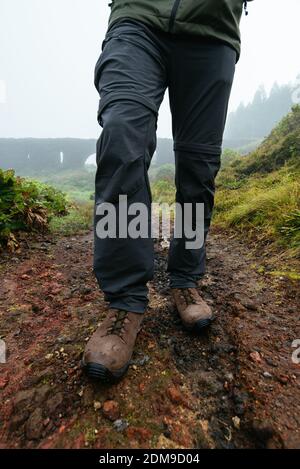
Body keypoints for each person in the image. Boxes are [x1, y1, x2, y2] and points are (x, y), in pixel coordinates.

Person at [82, 0, 253, 382]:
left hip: (213, 32)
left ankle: (185, 280)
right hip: (138, 21)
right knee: (121, 138)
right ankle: (125, 300)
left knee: (198, 166)